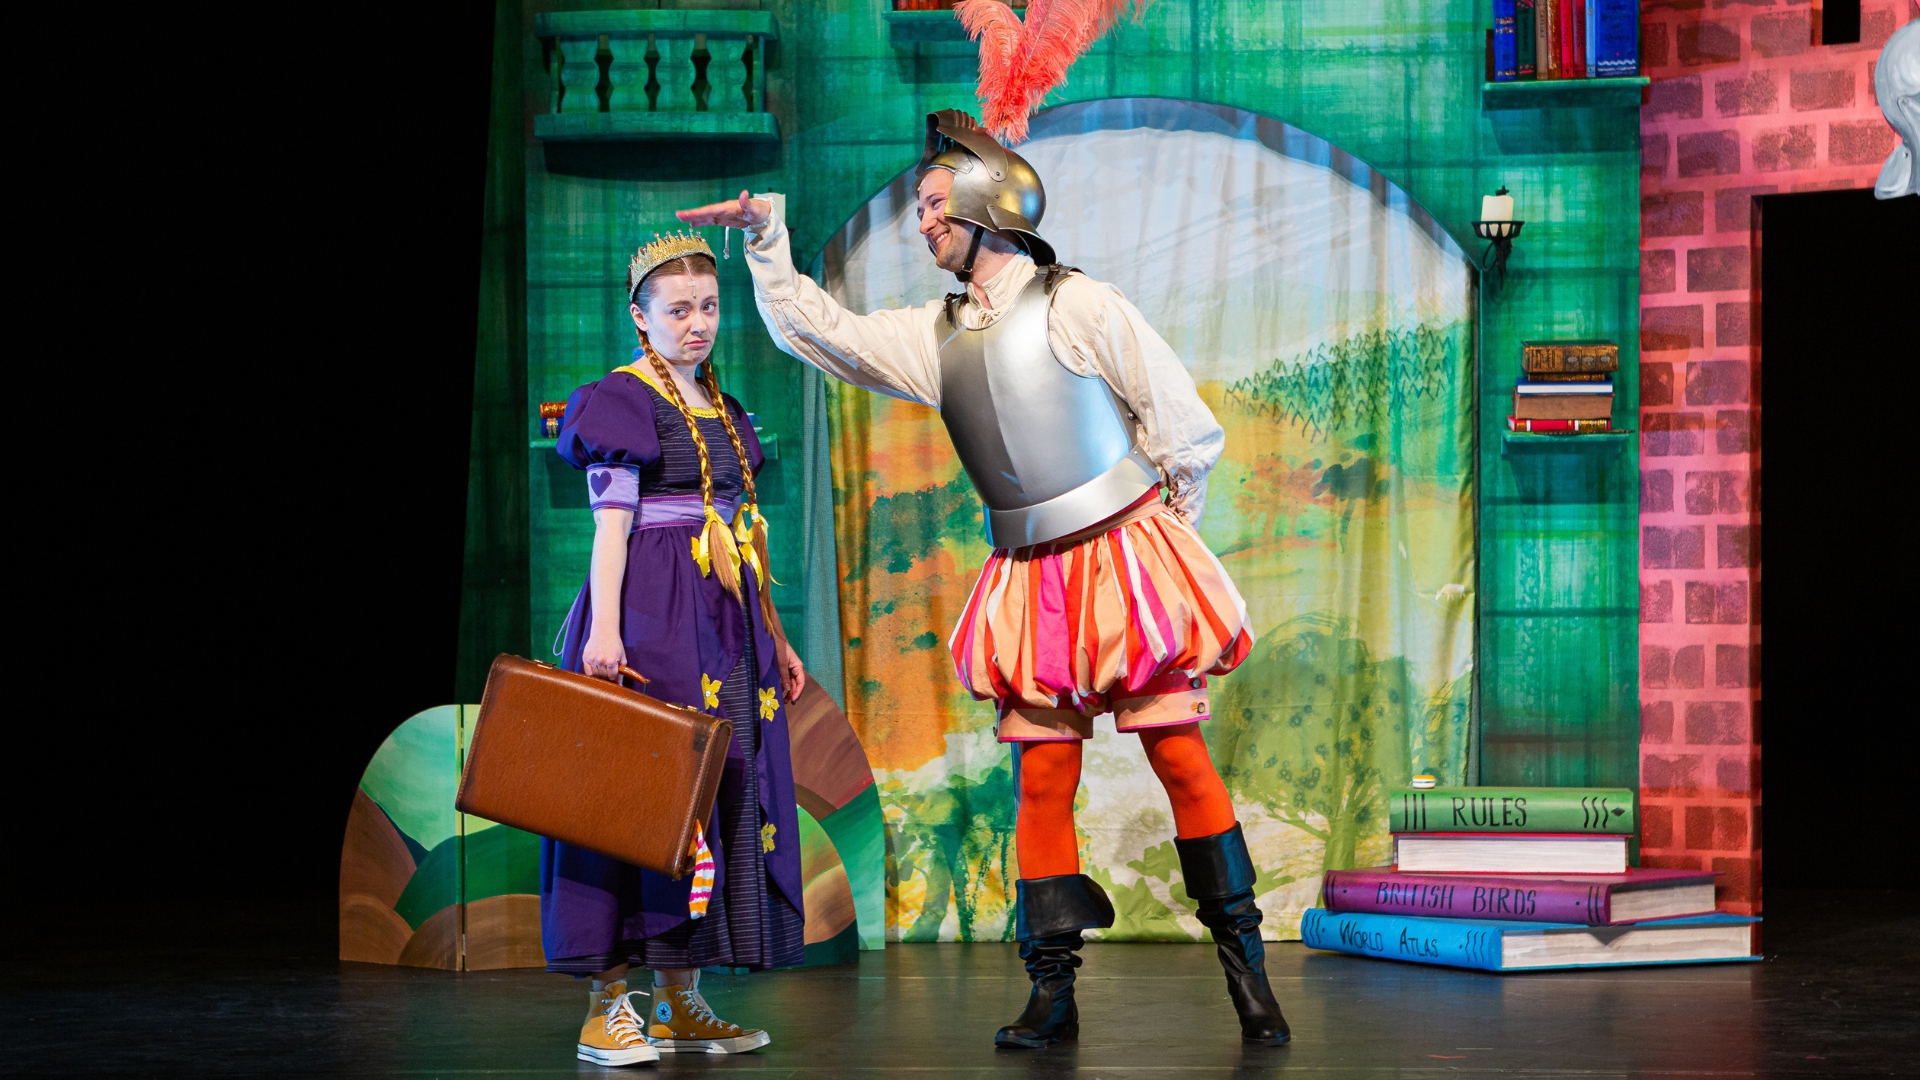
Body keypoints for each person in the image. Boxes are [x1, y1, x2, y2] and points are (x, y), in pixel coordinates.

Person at [677, 111, 1290, 1049]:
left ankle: (1249, 978)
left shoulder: (1079, 304)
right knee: (1041, 780)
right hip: (1029, 575)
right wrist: (768, 239)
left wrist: (1166, 548)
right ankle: (1053, 993)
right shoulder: (939, 336)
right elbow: (823, 333)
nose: (922, 224)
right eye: (921, 209)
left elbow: (1180, 424)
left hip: (1121, 555)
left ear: (982, 202)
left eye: (933, 206)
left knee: (1178, 757)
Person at [545, 231, 808, 1066]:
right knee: (637, 799)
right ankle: (606, 1007)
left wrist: (775, 634)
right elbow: (612, 528)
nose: (699, 324)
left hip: (725, 626)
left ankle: (680, 1000)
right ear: (641, 316)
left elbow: (742, 533)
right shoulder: (621, 401)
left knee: (712, 799)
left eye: (710, 307)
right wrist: (605, 630)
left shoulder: (723, 407)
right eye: (680, 310)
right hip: (650, 618)